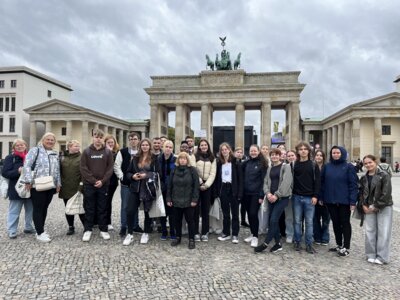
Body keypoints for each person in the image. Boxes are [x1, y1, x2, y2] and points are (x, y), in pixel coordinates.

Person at [320, 146, 358, 257]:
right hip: (330, 200)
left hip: (344, 201)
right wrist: (321, 197)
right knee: (336, 223)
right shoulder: (327, 166)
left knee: (345, 223)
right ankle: (339, 244)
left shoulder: (348, 167)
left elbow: (353, 185)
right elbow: (322, 183)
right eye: (333, 153)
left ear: (342, 154)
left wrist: (352, 201)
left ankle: (346, 247)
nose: (335, 154)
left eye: (338, 152)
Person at [23, 132, 61, 242]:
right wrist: (28, 180)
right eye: (48, 139)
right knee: (38, 208)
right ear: (43, 140)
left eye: (52, 140)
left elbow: (57, 169)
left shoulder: (55, 153)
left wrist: (58, 183)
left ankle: (41, 229)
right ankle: (39, 233)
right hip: (37, 184)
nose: (50, 141)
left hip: (50, 184)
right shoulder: (35, 150)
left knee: (45, 208)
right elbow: (27, 165)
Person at [255, 148, 293, 253]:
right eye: (272, 155)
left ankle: (265, 243)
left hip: (282, 198)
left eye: (276, 155)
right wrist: (268, 193)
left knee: (273, 220)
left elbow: (286, 183)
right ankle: (278, 243)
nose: (274, 157)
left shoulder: (286, 167)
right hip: (271, 198)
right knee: (272, 220)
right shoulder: (269, 168)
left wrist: (276, 195)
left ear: (280, 156)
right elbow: (266, 182)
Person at [123, 138, 160, 245]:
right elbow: (128, 172)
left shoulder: (154, 158)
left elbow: (158, 173)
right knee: (130, 210)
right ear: (140, 146)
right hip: (135, 187)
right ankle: (129, 233)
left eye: (146, 145)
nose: (144, 147)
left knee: (147, 212)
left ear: (149, 146)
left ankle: (146, 232)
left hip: (148, 188)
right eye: (143, 145)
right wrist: (133, 176)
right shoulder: (135, 158)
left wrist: (147, 175)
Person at [80, 129, 114, 242]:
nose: (98, 139)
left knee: (102, 207)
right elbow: (83, 168)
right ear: (93, 137)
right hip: (89, 185)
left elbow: (110, 169)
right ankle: (87, 230)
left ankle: (103, 230)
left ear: (102, 139)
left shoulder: (108, 152)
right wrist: (93, 181)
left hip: (103, 185)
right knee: (89, 207)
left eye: (100, 137)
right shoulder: (86, 152)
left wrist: (102, 181)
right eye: (96, 136)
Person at [359, 155, 393, 264]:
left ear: (375, 162)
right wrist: (363, 205)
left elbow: (386, 193)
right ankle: (371, 254)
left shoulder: (384, 175)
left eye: (370, 162)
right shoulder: (364, 178)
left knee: (383, 231)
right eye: (366, 163)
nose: (368, 165)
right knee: (370, 231)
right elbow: (361, 193)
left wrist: (376, 206)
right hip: (369, 207)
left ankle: (382, 257)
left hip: (384, 207)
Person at [2, 139, 35, 239]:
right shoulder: (10, 158)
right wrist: (18, 171)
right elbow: (5, 173)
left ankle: (28, 227)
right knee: (14, 211)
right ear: (14, 147)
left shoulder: (30, 157)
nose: (20, 146)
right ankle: (12, 230)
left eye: (22, 145)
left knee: (30, 210)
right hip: (16, 189)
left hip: (30, 188)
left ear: (26, 146)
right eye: (17, 145)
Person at [167, 152, 199, 249]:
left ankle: (191, 239)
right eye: (180, 158)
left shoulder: (192, 170)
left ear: (187, 160)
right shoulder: (173, 170)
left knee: (190, 220)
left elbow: (196, 186)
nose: (182, 160)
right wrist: (168, 198)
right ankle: (178, 237)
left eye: (184, 158)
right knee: (177, 220)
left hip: (189, 200)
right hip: (176, 199)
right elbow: (170, 186)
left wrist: (194, 199)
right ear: (178, 160)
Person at [292, 142, 320, 254]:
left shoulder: (313, 165)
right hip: (297, 197)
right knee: (297, 221)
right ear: (298, 151)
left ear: (309, 151)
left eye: (305, 149)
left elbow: (318, 182)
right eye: (301, 149)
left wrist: (315, 196)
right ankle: (297, 241)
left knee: (309, 222)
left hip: (310, 198)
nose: (303, 151)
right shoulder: (295, 164)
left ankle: (309, 244)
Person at [114, 132, 142, 237]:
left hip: (138, 183)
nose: (133, 140)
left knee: (135, 205)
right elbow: (117, 166)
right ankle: (124, 226)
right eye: (131, 139)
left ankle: (135, 225)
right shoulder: (123, 152)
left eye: (135, 139)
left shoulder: (141, 152)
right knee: (125, 206)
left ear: (138, 140)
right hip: (126, 183)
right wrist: (122, 177)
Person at [215, 143, 243, 244]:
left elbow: (240, 179)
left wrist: (240, 193)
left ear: (229, 150)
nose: (224, 151)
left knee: (235, 213)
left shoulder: (236, 162)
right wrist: (218, 192)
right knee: (226, 213)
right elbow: (217, 178)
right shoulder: (219, 162)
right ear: (220, 152)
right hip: (223, 188)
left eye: (226, 149)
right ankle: (226, 233)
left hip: (233, 188)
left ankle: (235, 234)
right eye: (222, 150)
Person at [242, 144, 268, 247]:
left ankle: (256, 237)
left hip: (256, 194)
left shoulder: (262, 163)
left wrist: (261, 195)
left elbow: (263, 181)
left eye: (255, 151)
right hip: (246, 193)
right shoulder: (246, 163)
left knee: (253, 214)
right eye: (251, 151)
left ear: (258, 152)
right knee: (249, 214)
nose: (253, 153)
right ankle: (252, 233)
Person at [59, 140, 85, 235]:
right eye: (75, 146)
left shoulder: (82, 158)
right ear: (69, 147)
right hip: (65, 187)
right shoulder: (62, 158)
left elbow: (84, 173)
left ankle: (86, 227)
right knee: (68, 208)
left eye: (78, 146)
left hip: (78, 187)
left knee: (81, 208)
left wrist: (81, 186)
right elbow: (59, 172)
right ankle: (71, 227)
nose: (77, 148)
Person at [194, 138, 216, 242]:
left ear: (208, 146)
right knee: (195, 209)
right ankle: (195, 232)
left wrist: (206, 185)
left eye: (205, 145)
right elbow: (194, 170)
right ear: (199, 147)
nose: (203, 147)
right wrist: (200, 182)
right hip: (197, 185)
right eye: (202, 145)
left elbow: (213, 173)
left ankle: (205, 232)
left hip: (208, 185)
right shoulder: (195, 156)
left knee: (205, 210)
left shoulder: (212, 158)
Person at [159, 140, 176, 240]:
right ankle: (164, 230)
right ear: (163, 147)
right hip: (161, 188)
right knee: (163, 211)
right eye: (166, 147)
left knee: (172, 212)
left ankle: (173, 231)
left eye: (170, 147)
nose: (168, 149)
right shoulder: (158, 159)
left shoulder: (175, 159)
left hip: (173, 189)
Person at [313, 149, 330, 246]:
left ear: (323, 157)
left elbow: (327, 184)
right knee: (315, 219)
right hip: (315, 197)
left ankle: (325, 237)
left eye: (321, 155)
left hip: (326, 198)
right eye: (317, 155)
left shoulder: (327, 168)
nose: (319, 157)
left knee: (326, 219)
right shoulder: (312, 167)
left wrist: (322, 198)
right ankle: (317, 237)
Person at [104, 135, 120, 231]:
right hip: (102, 181)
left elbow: (114, 165)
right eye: (108, 142)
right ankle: (99, 220)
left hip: (112, 181)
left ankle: (108, 222)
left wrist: (109, 152)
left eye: (112, 142)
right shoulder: (101, 152)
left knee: (108, 201)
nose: (110, 144)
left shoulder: (116, 153)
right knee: (101, 202)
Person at [284, 149, 296, 243]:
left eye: (292, 155)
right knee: (289, 216)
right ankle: (289, 234)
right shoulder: (284, 167)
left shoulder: (300, 166)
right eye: (289, 156)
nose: (291, 157)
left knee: (299, 217)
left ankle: (298, 234)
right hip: (288, 194)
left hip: (299, 194)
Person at [234, 147, 249, 228]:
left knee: (244, 205)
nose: (239, 154)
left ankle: (243, 220)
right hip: (236, 186)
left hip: (243, 186)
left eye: (241, 152)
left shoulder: (244, 162)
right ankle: (235, 221)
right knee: (235, 206)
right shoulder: (233, 162)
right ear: (234, 153)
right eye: (238, 152)